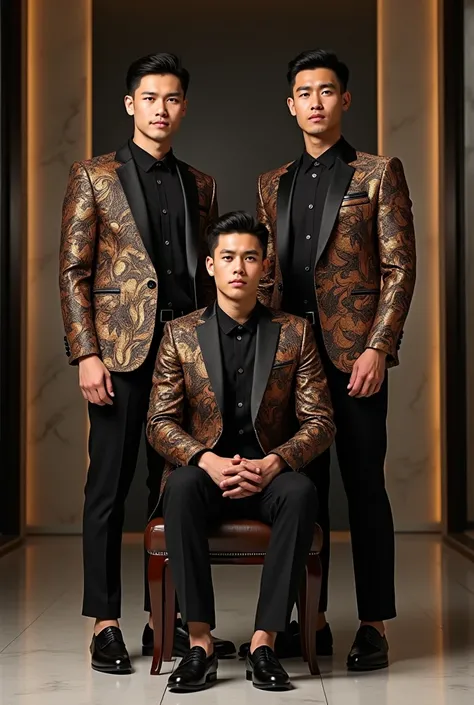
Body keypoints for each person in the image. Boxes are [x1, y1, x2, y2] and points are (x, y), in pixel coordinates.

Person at [59, 52, 235, 674]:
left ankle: (179, 619)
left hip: (186, 359)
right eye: (151, 98)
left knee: (175, 490)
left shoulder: (202, 184)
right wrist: (85, 352)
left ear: (184, 107)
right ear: (131, 104)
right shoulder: (94, 176)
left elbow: (210, 275)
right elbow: (74, 271)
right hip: (118, 355)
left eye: (174, 100)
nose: (162, 110)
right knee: (107, 488)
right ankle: (105, 622)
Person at [246, 49, 416, 671]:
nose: (315, 101)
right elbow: (266, 281)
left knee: (365, 488)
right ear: (290, 105)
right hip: (291, 365)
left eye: (326, 90)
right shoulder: (272, 184)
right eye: (303, 92)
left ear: (345, 100)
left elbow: (400, 267)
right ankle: (307, 620)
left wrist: (378, 345)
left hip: (355, 361)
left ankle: (372, 624)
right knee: (301, 491)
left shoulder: (377, 172)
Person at [146, 211, 335, 692]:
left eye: (250, 257)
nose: (239, 267)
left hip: (269, 475)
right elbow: (158, 422)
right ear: (210, 265)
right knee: (182, 485)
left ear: (264, 266)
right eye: (228, 257)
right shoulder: (179, 334)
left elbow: (320, 421)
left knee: (301, 492)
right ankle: (201, 643)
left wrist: (274, 463)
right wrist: (205, 459)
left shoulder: (294, 332)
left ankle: (263, 641)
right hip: (208, 475)